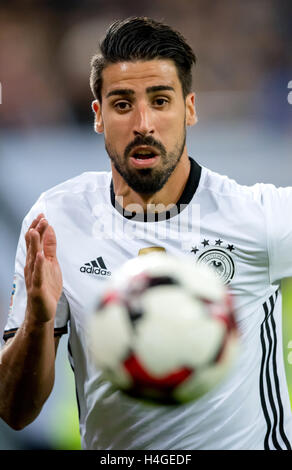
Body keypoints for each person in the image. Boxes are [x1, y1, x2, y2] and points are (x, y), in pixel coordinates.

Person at [1, 16, 292, 451]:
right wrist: (38, 321)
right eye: (122, 104)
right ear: (98, 116)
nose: (143, 123)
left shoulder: (260, 216)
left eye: (160, 101)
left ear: (189, 108)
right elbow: (15, 411)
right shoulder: (55, 222)